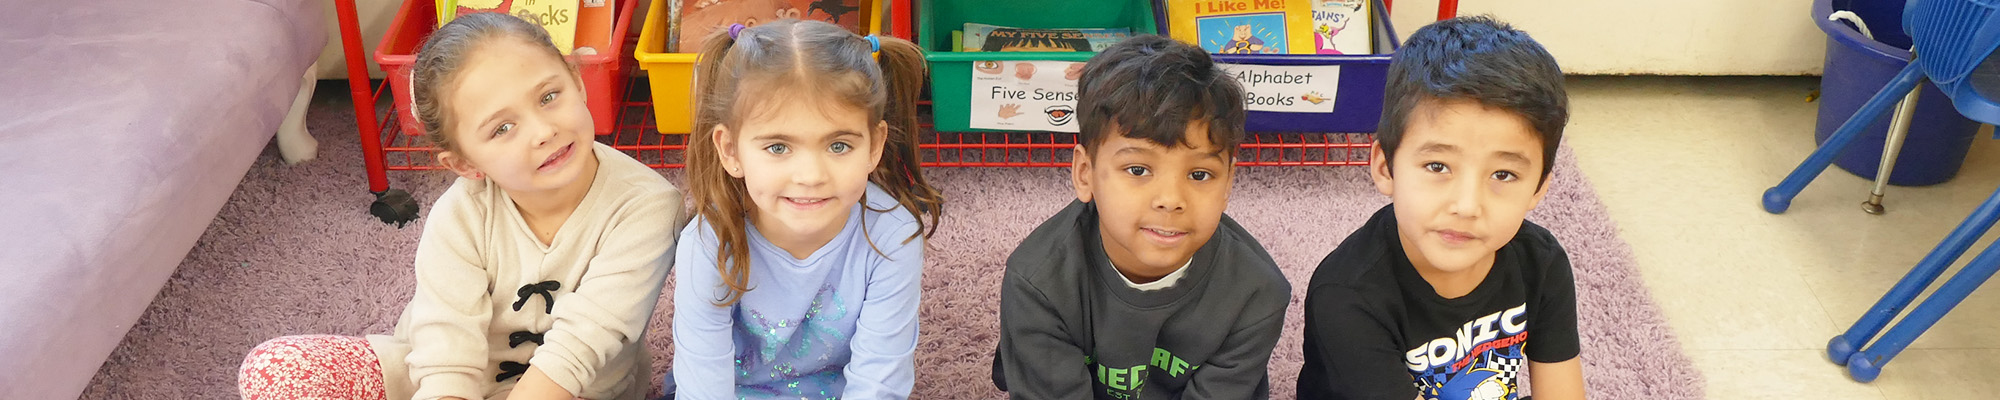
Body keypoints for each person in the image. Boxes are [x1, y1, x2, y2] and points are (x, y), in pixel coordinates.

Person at [238, 12, 686, 400]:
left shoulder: (649, 206)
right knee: (276, 370)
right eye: (502, 128)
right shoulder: (460, 213)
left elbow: (585, 344)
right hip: (435, 377)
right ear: (466, 164)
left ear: (578, 83)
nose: (542, 131)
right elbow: (446, 341)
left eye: (550, 97)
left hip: (574, 388)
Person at [1296, 16, 1586, 400]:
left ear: (1538, 189)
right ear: (1386, 168)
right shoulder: (1347, 295)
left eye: (1503, 174)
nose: (1466, 206)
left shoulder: (1541, 262)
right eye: (1438, 167)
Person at [991, 35, 1291, 399]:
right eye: (1137, 169)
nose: (1170, 200)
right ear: (1085, 174)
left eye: (1199, 175)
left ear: (1228, 181)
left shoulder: (1257, 292)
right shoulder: (1038, 282)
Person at [663, 19, 944, 399]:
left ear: (874, 146)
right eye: (778, 147)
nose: (811, 176)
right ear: (730, 151)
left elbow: (879, 381)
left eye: (839, 146)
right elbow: (703, 385)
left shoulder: (893, 234)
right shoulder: (709, 240)